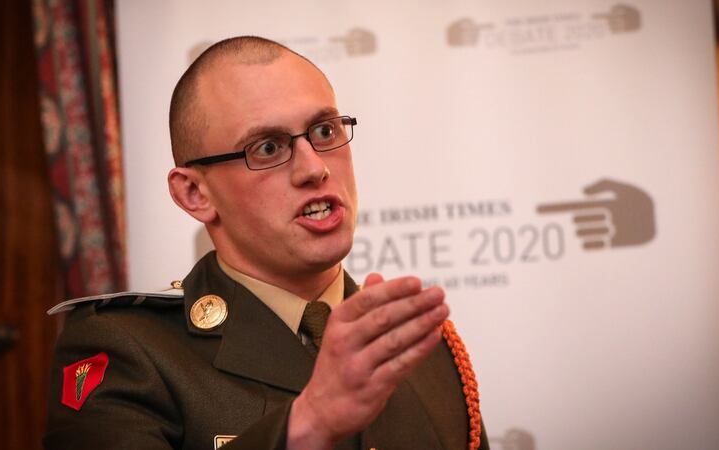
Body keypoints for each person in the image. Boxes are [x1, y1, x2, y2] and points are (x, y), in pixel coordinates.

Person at [44, 36, 488, 450]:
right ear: (195, 194)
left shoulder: (423, 345)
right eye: (268, 149)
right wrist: (309, 423)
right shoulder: (127, 352)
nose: (314, 169)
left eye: (325, 131)